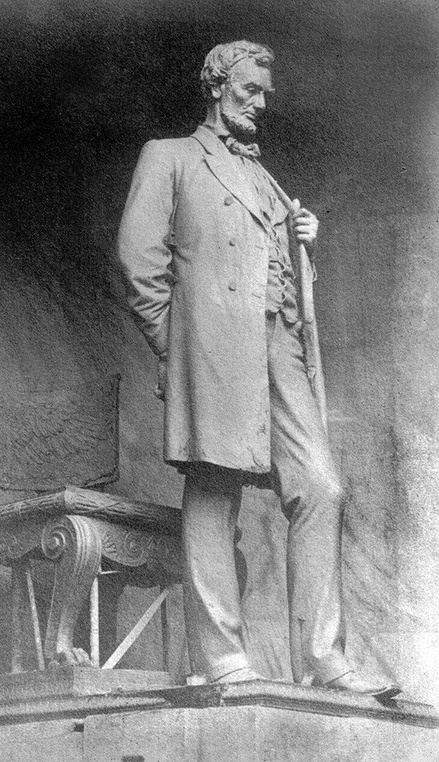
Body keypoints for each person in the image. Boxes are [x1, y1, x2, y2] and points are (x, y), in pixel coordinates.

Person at [118, 40, 400, 697]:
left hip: (279, 350)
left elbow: (287, 285)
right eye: (250, 90)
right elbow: (139, 264)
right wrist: (180, 351)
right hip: (212, 351)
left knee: (319, 487)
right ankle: (222, 658)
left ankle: (323, 659)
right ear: (217, 86)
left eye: (266, 93)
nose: (261, 102)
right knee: (215, 490)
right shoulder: (171, 157)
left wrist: (306, 247)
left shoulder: (269, 182)